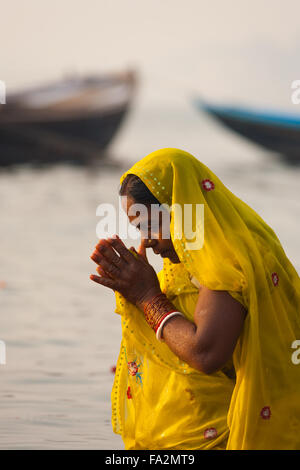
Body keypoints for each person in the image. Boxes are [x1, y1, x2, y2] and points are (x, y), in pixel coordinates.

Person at [90, 148, 300, 450]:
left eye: (151, 225)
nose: (147, 242)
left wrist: (146, 296)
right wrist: (135, 290)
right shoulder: (187, 265)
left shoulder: (227, 260)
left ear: (180, 212)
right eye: (139, 229)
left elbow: (206, 353)